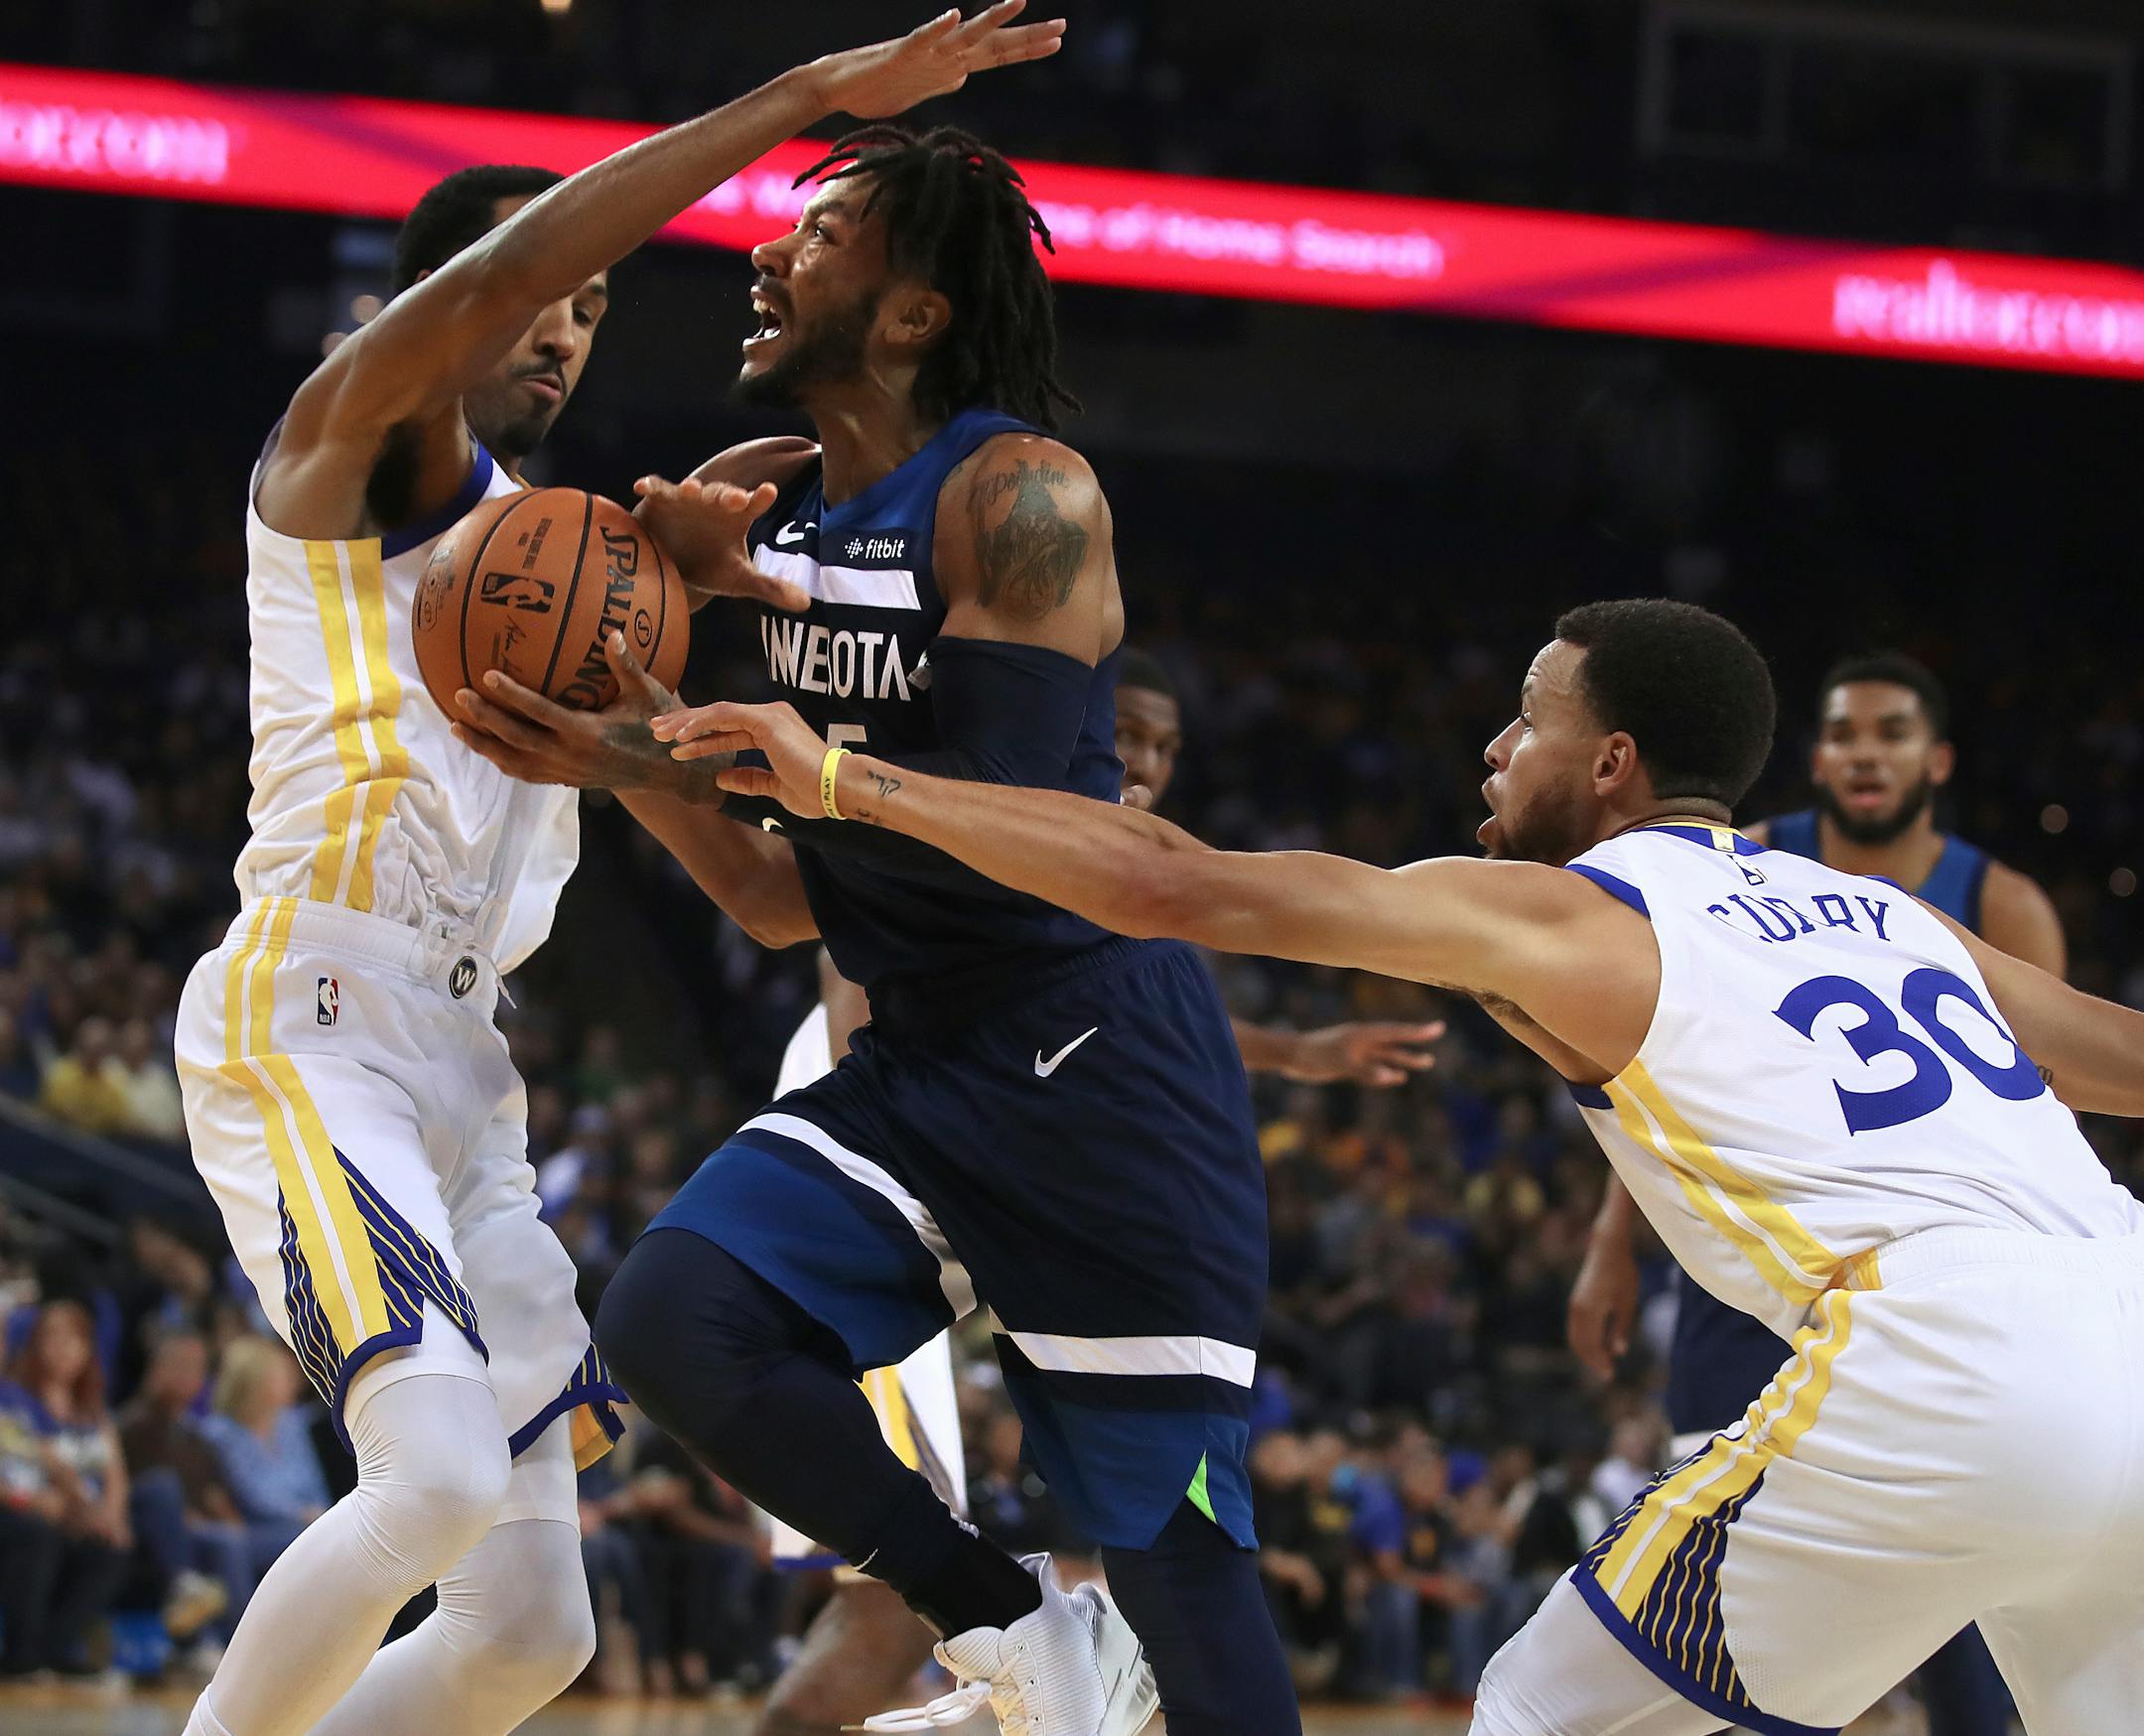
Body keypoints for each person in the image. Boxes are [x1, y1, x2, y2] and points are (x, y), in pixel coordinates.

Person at [680, 597, 2144, 1734]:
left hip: (1942, 1355)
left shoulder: (1572, 913)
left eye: (1527, 720)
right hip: (2124, 1314)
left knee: (1532, 1708)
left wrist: (851, 781)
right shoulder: (1887, 916)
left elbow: (1178, 886)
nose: (1497, 750)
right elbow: (2124, 1056)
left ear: (1614, 763)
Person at [167, 14, 1067, 1736]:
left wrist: (699, 617)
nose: (565, 337)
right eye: (538, 304)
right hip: (316, 1001)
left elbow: (766, 901)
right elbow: (522, 256)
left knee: (529, 1628)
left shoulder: (569, 570)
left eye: (588, 322)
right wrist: (807, 100)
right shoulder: (347, 441)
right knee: (424, 1481)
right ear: (438, 309)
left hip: (463, 1067)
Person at [455, 116, 1297, 1736]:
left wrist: (728, 695)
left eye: (817, 234)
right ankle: (998, 1614)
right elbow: (778, 896)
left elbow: (990, 842)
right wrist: (621, 749)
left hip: (1101, 1075)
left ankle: (1100, 1645)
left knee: (1179, 1568)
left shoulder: (1019, 492)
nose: (764, 254)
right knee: (671, 1317)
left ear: (913, 311)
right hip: (920, 1057)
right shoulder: (781, 527)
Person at [743, 647, 1441, 1736]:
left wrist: (1300, 1055)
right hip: (887, 1147)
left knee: (920, 1598)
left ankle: (1063, 1663)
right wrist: (922, 1218)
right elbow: (870, 989)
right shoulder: (983, 805)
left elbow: (1127, 1016)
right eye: (1135, 730)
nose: (1150, 758)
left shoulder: (1106, 872)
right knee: (886, 1605)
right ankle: (1062, 1655)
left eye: (1169, 743)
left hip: (979, 1150)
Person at [1567, 650, 2060, 1736]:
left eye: (1889, 732)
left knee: (1956, 1613)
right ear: (1816, 756)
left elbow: (2042, 1123)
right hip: (1746, 1277)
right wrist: (1614, 1244)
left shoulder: (2002, 905)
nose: (1863, 754)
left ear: (1935, 758)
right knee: (1724, 1606)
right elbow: (1648, 1068)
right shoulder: (1748, 863)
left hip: (1928, 1293)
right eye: (1842, 733)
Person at [0, 1300, 133, 1678]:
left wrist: (111, 1514)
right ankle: (22, 1655)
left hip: (76, 1512)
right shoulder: (13, 1397)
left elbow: (115, 1471)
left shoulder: (93, 1408)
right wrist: (77, 1505)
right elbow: (43, 1462)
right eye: (52, 1337)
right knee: (39, 1536)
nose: (62, 1348)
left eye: (72, 1338)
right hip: (37, 1507)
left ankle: (53, 1649)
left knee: (110, 1550)